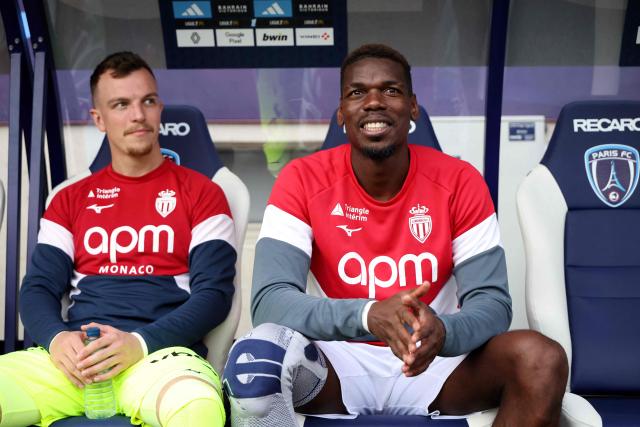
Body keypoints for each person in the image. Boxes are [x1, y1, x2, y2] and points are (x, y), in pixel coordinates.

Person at [223, 44, 568, 426]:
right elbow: (271, 301)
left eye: (390, 90)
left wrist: (443, 331)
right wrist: (369, 315)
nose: (374, 102)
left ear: (413, 106)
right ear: (341, 112)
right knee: (254, 360)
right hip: (336, 364)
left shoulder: (459, 180)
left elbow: (492, 303)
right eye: (357, 92)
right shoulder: (302, 179)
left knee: (541, 359)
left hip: (436, 365)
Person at [0, 52, 236, 427]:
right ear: (98, 119)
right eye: (121, 104)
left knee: (199, 411)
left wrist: (138, 344)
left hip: (160, 359)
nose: (138, 115)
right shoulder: (69, 197)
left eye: (148, 101)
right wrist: (58, 340)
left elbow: (214, 297)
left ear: (159, 108)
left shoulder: (204, 193)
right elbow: (38, 288)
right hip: (75, 361)